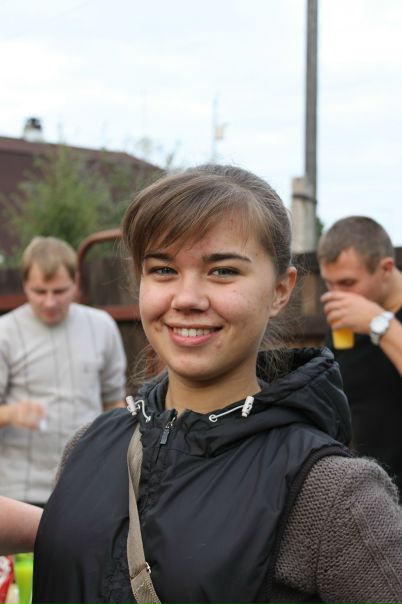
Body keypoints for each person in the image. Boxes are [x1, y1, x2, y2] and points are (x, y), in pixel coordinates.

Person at [28, 167, 402, 603]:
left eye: (222, 271)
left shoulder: (333, 494)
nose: (187, 298)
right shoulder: (85, 448)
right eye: (163, 269)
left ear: (280, 290)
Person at [0, 236, 127, 507]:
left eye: (59, 291)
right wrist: (11, 413)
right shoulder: (5, 333)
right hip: (20, 492)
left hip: (87, 485)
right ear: (24, 285)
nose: (50, 302)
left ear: (76, 282)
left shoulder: (102, 326)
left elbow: (114, 404)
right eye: (39, 291)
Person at [317, 216, 402, 496]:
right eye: (329, 284)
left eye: (347, 282)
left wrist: (380, 324)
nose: (337, 295)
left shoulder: (374, 320)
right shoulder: (346, 324)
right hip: (374, 493)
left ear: (385, 268)